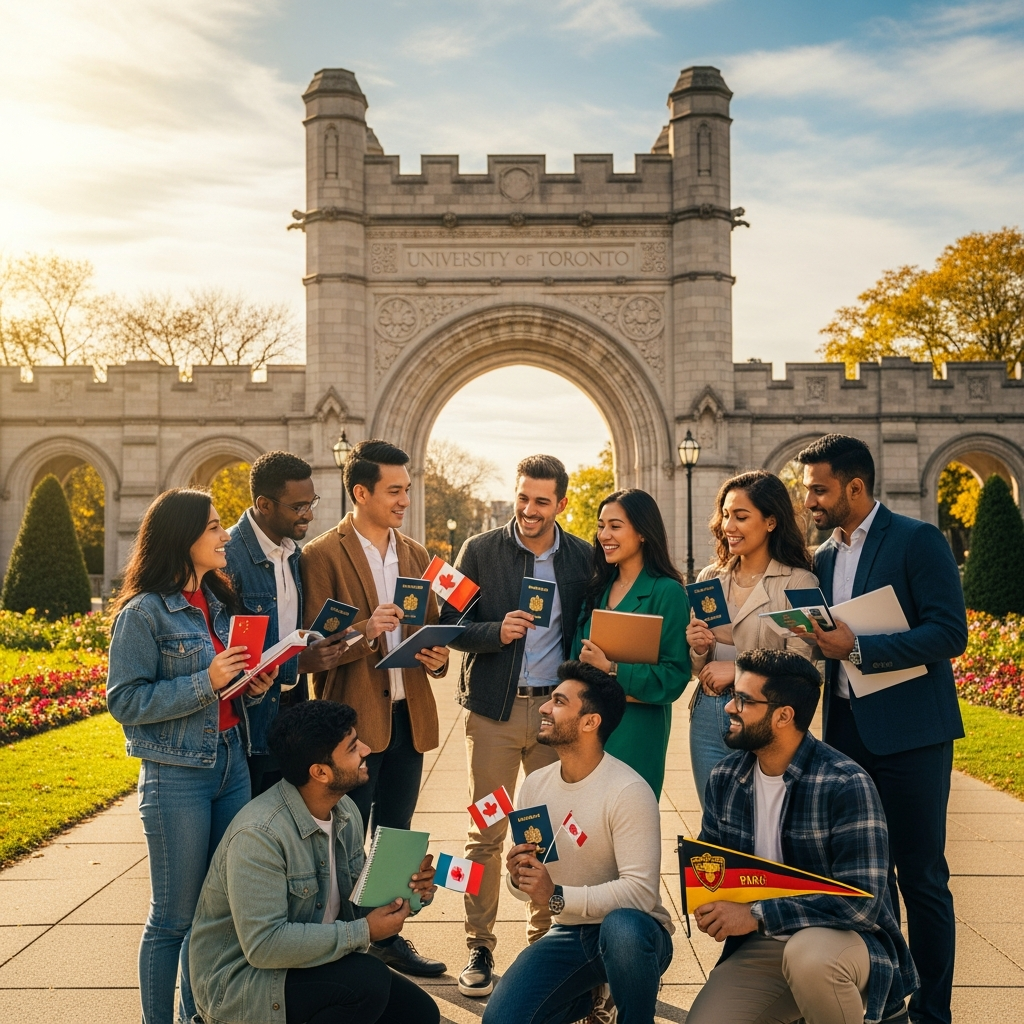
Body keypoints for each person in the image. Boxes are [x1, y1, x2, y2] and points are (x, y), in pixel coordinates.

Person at [796, 433, 967, 1024]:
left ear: (855, 487)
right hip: (846, 738)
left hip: (913, 737)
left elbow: (950, 632)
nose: (810, 500)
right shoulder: (822, 558)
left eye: (819, 490)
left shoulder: (917, 540)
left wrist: (860, 648)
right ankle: (888, 1003)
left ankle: (933, 1013)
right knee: (868, 881)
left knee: (922, 878)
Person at [106, 489, 278, 1024]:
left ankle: (194, 1016)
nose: (225, 536)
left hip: (231, 764)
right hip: (177, 774)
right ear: (183, 538)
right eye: (214, 527)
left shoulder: (220, 603)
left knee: (213, 914)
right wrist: (208, 681)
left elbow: (225, 690)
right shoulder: (143, 613)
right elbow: (124, 701)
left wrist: (250, 686)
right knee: (173, 919)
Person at [687, 649, 917, 1024]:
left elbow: (861, 902)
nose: (729, 707)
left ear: (784, 716)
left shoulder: (845, 783)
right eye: (733, 696)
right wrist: (708, 898)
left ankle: (888, 1016)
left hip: (843, 943)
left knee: (809, 958)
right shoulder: (725, 778)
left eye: (743, 699)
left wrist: (755, 915)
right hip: (765, 946)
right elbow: (715, 868)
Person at [439, 455, 592, 997]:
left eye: (541, 501)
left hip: (555, 718)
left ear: (561, 504)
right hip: (494, 715)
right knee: (485, 833)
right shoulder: (479, 550)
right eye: (523, 497)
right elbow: (449, 624)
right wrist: (493, 631)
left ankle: (543, 942)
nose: (529, 510)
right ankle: (478, 946)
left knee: (544, 834)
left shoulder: (582, 557)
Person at [189, 700, 440, 1024]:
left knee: (420, 1014)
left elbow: (359, 901)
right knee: (368, 981)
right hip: (244, 986)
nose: (366, 750)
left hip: (309, 964)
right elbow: (264, 945)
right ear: (320, 772)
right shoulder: (259, 835)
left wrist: (410, 892)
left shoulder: (344, 812)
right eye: (353, 747)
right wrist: (364, 932)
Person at [300, 438, 449, 979]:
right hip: (353, 725)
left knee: (397, 835)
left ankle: (388, 938)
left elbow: (433, 629)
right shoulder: (321, 555)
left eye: (406, 489)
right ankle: (343, 939)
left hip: (410, 718)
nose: (404, 500)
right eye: (393, 491)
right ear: (360, 492)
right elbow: (313, 648)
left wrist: (437, 658)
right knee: (347, 837)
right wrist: (365, 632)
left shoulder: (416, 555)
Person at [483, 660, 673, 1024]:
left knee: (622, 928)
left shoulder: (628, 791)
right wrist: (518, 877)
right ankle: (591, 996)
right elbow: (529, 889)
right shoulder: (535, 785)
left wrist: (555, 896)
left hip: (637, 935)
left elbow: (640, 894)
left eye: (558, 701)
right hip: (570, 933)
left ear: (590, 722)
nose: (544, 707)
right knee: (501, 1020)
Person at [686, 470, 819, 806]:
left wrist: (737, 672)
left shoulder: (799, 583)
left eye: (741, 517)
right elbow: (699, 666)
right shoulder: (710, 578)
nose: (728, 526)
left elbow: (803, 666)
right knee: (714, 818)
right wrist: (698, 648)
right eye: (725, 515)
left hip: (765, 717)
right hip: (707, 714)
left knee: (761, 817)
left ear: (771, 521)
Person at [224, 451, 352, 795]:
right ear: (264, 505)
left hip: (293, 714)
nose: (309, 514)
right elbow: (227, 653)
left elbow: (288, 632)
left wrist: (320, 643)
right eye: (298, 507)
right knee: (254, 819)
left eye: (311, 503)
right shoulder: (229, 557)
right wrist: (300, 663)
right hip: (250, 723)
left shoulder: (294, 554)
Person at [571, 488, 691, 798]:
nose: (604, 535)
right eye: (601, 526)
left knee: (630, 816)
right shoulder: (596, 589)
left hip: (637, 732)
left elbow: (674, 677)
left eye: (615, 526)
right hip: (586, 731)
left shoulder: (668, 593)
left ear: (642, 532)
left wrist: (611, 668)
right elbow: (574, 659)